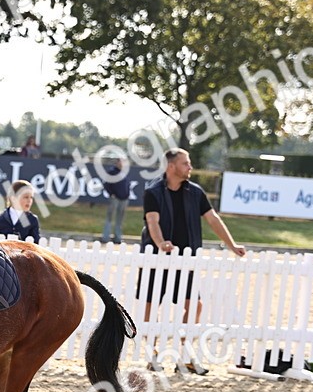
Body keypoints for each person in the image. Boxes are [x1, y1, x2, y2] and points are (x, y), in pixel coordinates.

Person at [138, 148, 245, 373]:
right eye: (185, 163)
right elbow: (152, 222)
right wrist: (161, 243)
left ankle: (183, 354)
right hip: (157, 258)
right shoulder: (153, 192)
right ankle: (152, 354)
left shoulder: (196, 192)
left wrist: (231, 244)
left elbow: (212, 219)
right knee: (150, 304)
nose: (190, 167)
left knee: (194, 305)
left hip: (187, 260)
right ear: (171, 166)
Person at [101, 157, 131, 244]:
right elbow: (106, 184)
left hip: (124, 199)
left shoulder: (124, 173)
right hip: (115, 199)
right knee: (109, 218)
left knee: (120, 219)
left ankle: (117, 238)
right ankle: (105, 237)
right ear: (117, 162)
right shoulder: (112, 172)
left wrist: (127, 194)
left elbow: (127, 184)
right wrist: (111, 194)